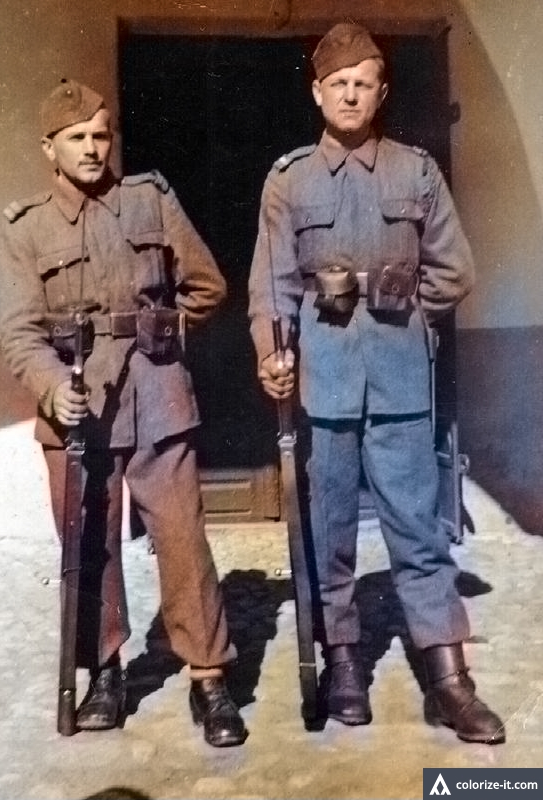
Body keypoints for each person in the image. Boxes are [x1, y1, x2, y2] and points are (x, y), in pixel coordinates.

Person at [248, 22, 505, 744]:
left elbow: (455, 269)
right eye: (338, 84)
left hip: (399, 379)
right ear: (317, 93)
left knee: (417, 529)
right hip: (323, 381)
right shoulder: (289, 180)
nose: (351, 95)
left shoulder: (415, 172)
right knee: (327, 530)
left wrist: (405, 309)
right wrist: (274, 353)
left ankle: (448, 678)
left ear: (381, 92)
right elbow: (271, 287)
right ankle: (343, 663)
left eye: (364, 83)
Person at [0, 79, 247, 748]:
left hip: (157, 394)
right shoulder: (26, 228)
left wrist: (166, 333)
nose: (92, 148)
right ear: (49, 148)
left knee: (183, 540)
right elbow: (20, 331)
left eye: (100, 135)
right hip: (78, 406)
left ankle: (209, 678)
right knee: (88, 544)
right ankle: (105, 673)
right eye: (76, 138)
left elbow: (207, 285)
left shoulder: (149, 199)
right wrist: (53, 386)